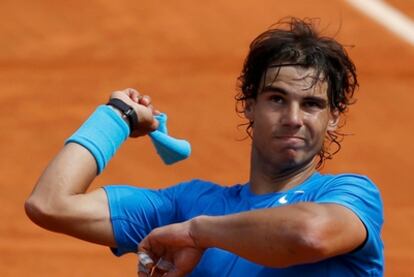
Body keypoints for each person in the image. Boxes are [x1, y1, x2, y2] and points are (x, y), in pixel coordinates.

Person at [25, 17, 383, 276]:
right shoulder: (188, 205)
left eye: (312, 104)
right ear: (249, 106)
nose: (293, 117)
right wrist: (116, 118)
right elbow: (50, 204)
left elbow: (310, 235)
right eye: (277, 99)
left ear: (332, 117)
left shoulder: (349, 195)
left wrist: (197, 233)